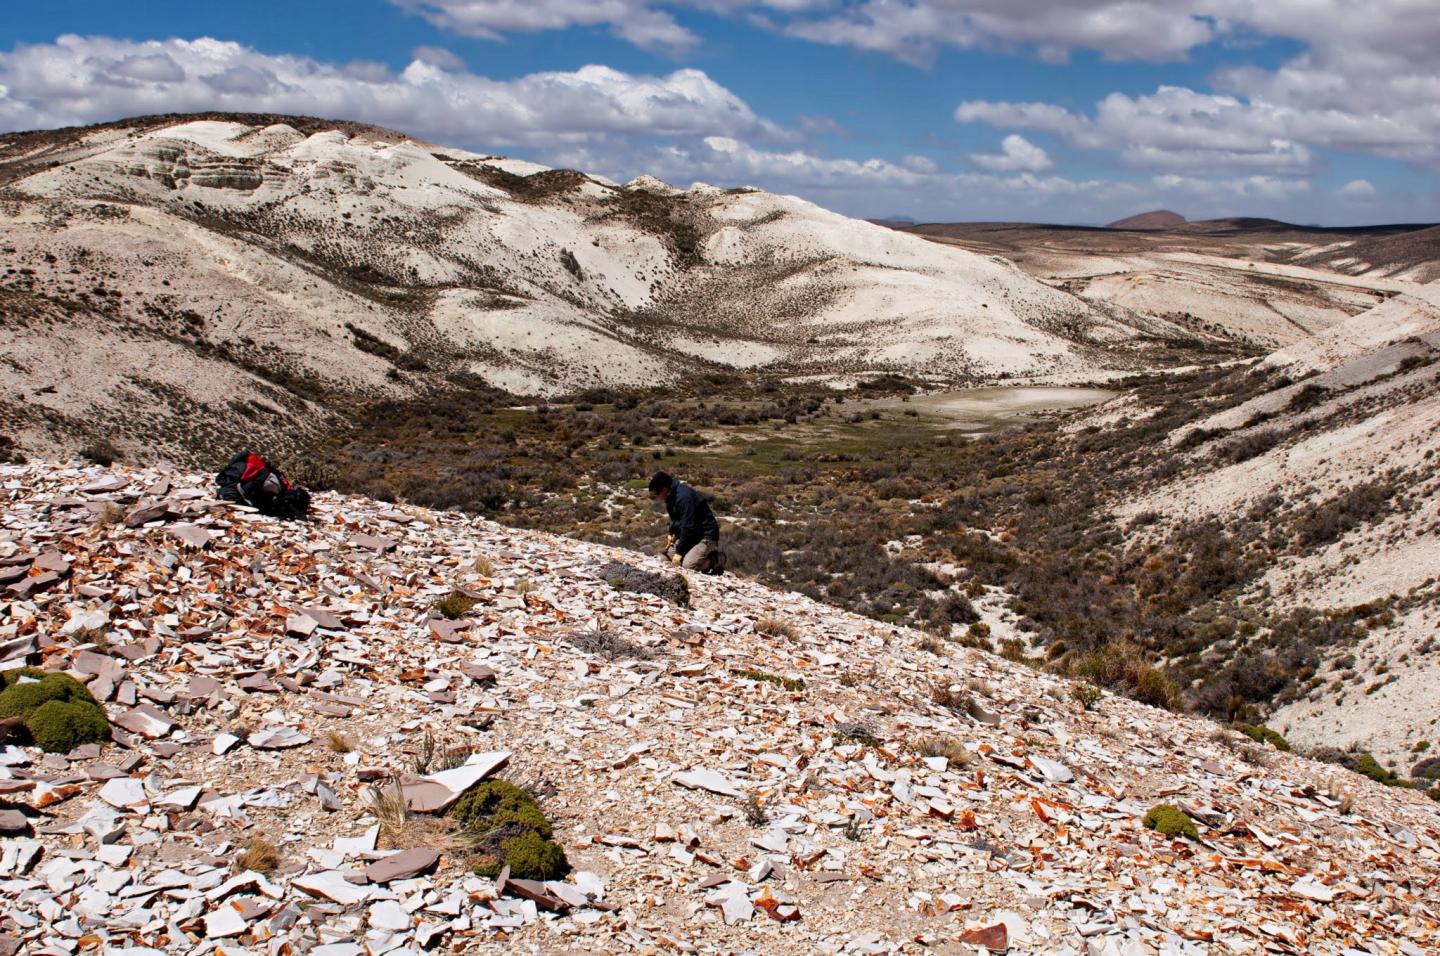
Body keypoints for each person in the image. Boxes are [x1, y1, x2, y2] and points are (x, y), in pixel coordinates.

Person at [647, 471, 725, 574]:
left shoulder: (684, 498)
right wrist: (673, 534)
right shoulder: (670, 497)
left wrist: (679, 553)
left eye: (657, 494)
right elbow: (678, 521)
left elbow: (688, 527)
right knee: (663, 559)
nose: (657, 497)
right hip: (692, 535)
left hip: (705, 535)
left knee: (688, 566)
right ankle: (692, 555)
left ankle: (716, 559)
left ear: (664, 489)